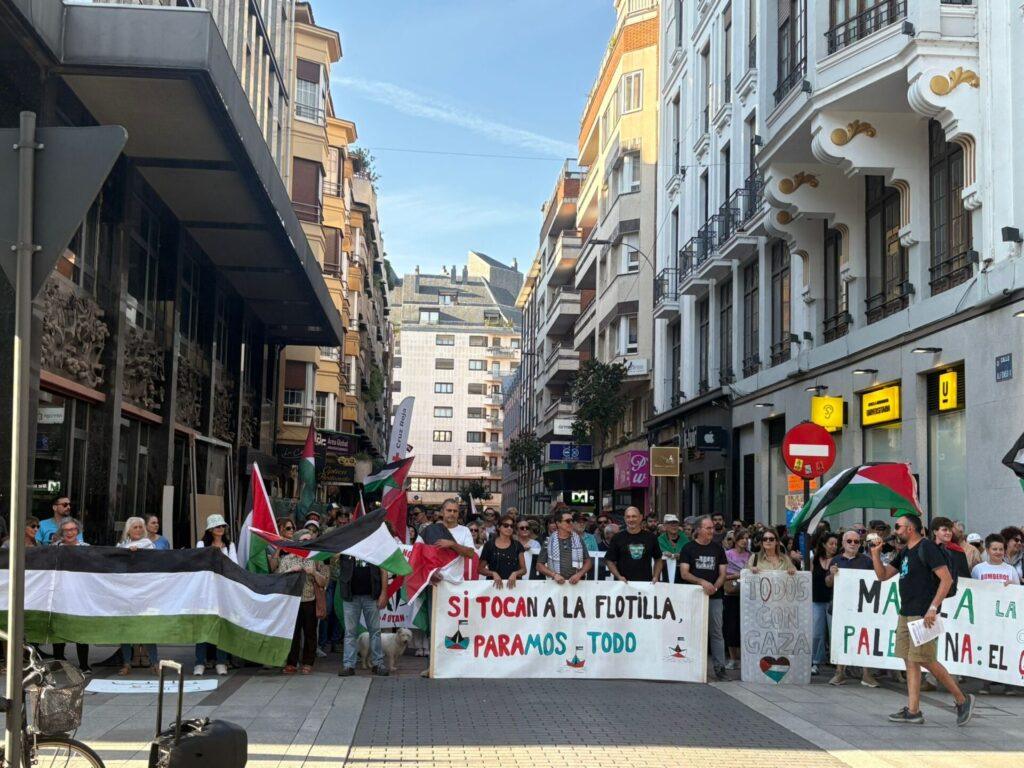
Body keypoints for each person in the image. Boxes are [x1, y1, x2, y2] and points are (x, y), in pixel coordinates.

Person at [870, 514, 974, 726]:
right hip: (906, 612)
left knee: (925, 659)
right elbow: (883, 575)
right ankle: (913, 710)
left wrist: (933, 608)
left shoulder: (926, 547)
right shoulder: (905, 551)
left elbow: (946, 580)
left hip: (923, 613)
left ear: (910, 528)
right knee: (910, 660)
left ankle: (962, 700)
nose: (895, 530)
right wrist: (875, 554)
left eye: (898, 526)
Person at [826, 529, 878, 687]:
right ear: (843, 543)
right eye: (849, 541)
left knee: (864, 638)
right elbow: (828, 583)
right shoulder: (836, 560)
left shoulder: (867, 561)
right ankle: (839, 673)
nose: (853, 544)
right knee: (841, 638)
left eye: (856, 541)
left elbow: (875, 581)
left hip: (862, 608)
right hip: (841, 607)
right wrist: (832, 574)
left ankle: (866, 674)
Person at [679, 515, 728, 680]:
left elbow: (723, 573)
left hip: (715, 596)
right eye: (708, 528)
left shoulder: (718, 549)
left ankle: (720, 668)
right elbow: (684, 573)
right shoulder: (688, 548)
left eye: (712, 528)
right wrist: (702, 582)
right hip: (694, 596)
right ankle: (690, 666)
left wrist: (715, 587)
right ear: (698, 529)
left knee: (716, 632)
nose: (712, 531)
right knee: (692, 631)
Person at [275, 531, 330, 675]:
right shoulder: (287, 559)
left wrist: (314, 573)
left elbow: (324, 582)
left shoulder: (316, 559)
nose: (306, 542)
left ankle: (308, 662)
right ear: (296, 541)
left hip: (309, 601)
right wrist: (290, 571)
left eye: (309, 540)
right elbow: (278, 581)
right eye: (303, 540)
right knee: (293, 633)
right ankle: (291, 663)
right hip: (291, 602)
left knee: (310, 633)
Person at [116, 517, 160, 673]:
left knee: (147, 628)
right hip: (126, 593)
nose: (139, 530)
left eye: (141, 527)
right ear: (128, 530)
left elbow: (153, 563)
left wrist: (138, 553)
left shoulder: (148, 545)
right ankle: (127, 663)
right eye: (135, 527)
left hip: (144, 593)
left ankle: (155, 663)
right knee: (126, 629)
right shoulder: (120, 547)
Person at [194, 514, 236, 675]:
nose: (221, 529)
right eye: (218, 526)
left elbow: (235, 566)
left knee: (221, 626)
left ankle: (221, 662)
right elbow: (199, 565)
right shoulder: (201, 544)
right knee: (202, 626)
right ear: (210, 529)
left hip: (223, 591)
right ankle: (199, 662)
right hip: (205, 592)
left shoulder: (230, 545)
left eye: (223, 526)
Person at [337, 551, 388, 678]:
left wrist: (384, 593)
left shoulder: (374, 547)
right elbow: (332, 555)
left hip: (371, 596)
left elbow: (384, 570)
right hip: (350, 596)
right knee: (350, 632)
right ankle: (349, 665)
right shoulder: (346, 546)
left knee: (375, 631)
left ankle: (378, 664)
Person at [604, 506, 663, 584]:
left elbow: (658, 559)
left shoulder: (651, 537)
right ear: (624, 519)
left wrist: (655, 576)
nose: (631, 520)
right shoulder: (617, 538)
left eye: (634, 516)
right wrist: (619, 576)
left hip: (646, 584)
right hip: (623, 585)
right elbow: (609, 560)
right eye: (628, 517)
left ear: (640, 517)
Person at [811, 532, 839, 676]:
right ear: (824, 544)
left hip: (833, 600)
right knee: (817, 632)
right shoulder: (815, 559)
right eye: (831, 544)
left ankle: (838, 663)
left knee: (834, 632)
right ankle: (815, 662)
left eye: (836, 544)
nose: (834, 546)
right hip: (816, 599)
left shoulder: (838, 560)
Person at [537, 509, 591, 584]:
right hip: (555, 583)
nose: (571, 523)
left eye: (572, 520)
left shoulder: (578, 539)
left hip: (577, 583)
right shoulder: (548, 541)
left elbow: (588, 561)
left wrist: (579, 575)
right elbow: (539, 565)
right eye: (568, 521)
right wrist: (554, 575)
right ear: (558, 523)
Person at [723, 528, 750, 669]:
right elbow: (722, 573)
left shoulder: (750, 556)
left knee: (744, 626)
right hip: (730, 594)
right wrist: (736, 575)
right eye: (741, 538)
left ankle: (743, 658)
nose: (744, 541)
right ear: (736, 540)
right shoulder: (727, 554)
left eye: (746, 538)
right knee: (731, 626)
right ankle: (733, 658)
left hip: (746, 595)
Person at [479, 516, 527, 589]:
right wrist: (493, 573)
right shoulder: (489, 545)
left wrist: (515, 573)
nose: (509, 528)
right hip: (493, 586)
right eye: (506, 525)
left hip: (514, 587)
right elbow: (480, 569)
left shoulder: (517, 545)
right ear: (498, 527)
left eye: (511, 526)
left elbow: (524, 570)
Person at [658, 515, 690, 583]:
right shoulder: (660, 540)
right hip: (665, 572)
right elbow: (657, 556)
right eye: (671, 524)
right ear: (665, 526)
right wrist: (664, 554)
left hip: (682, 572)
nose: (674, 526)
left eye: (676, 524)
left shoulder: (685, 538)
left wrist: (681, 556)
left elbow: (689, 554)